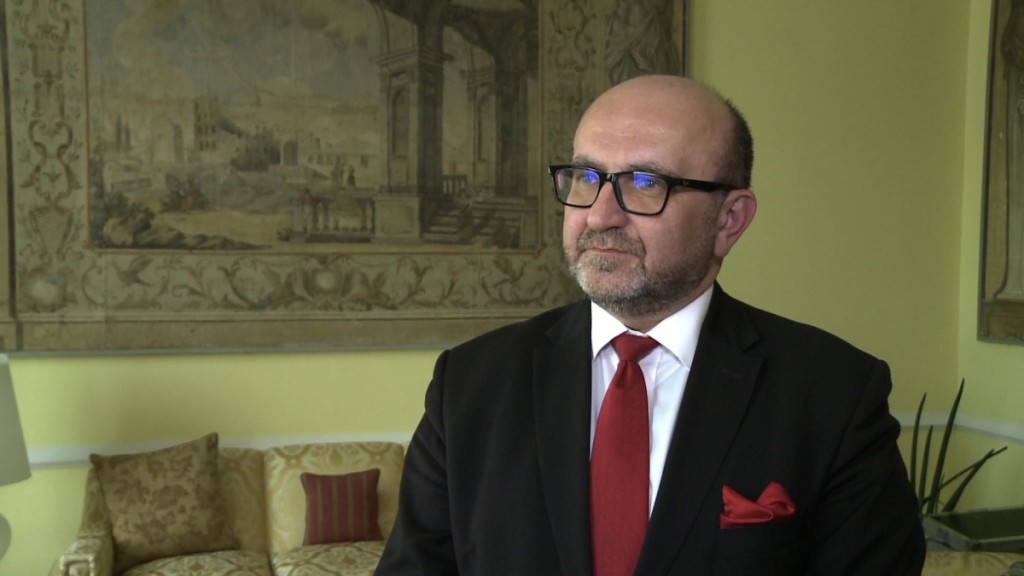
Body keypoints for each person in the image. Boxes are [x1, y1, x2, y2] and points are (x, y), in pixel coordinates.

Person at [376, 75, 925, 575]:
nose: (599, 215)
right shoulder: (469, 385)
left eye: (645, 182)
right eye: (586, 177)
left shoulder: (834, 396)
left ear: (729, 220)